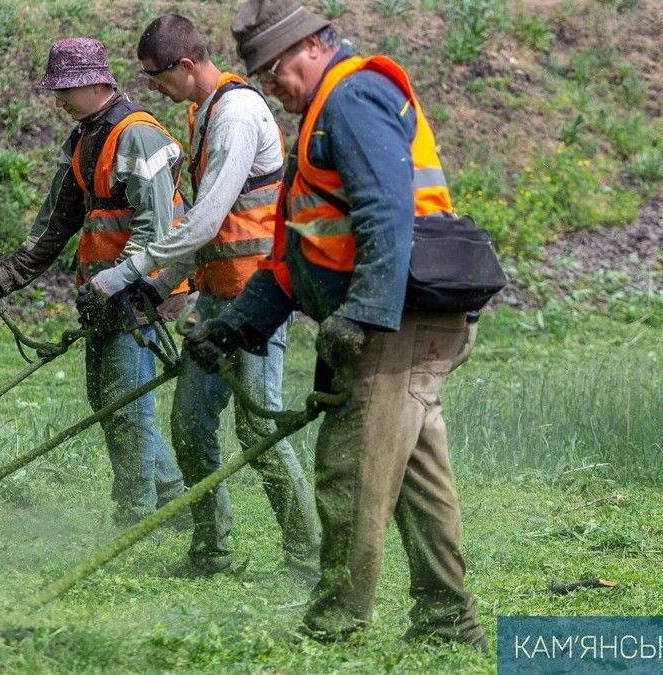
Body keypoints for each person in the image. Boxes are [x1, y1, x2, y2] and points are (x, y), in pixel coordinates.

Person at [182, 0, 487, 646]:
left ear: (313, 46)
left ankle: (333, 625)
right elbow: (299, 254)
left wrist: (364, 312)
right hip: (413, 315)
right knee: (413, 473)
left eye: (275, 69)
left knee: (350, 467)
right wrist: (236, 325)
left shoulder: (350, 99)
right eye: (261, 74)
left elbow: (386, 214)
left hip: (398, 315)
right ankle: (447, 619)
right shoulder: (326, 111)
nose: (271, 85)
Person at [85, 14, 320, 578]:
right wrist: (158, 284)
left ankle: (307, 555)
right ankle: (211, 551)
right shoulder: (204, 112)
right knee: (189, 425)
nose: (152, 90)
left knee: (259, 424)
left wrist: (128, 271)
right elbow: (207, 230)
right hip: (217, 299)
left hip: (259, 299)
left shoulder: (236, 113)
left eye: (157, 77)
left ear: (186, 65)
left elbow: (204, 218)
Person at [0, 38, 188, 528]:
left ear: (97, 83)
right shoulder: (86, 138)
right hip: (105, 294)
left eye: (66, 88)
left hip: (144, 293)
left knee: (126, 407)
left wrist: (119, 282)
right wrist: (3, 279)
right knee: (109, 401)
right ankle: (176, 504)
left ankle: (135, 515)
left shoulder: (138, 135)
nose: (59, 99)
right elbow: (56, 223)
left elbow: (158, 231)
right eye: (56, 90)